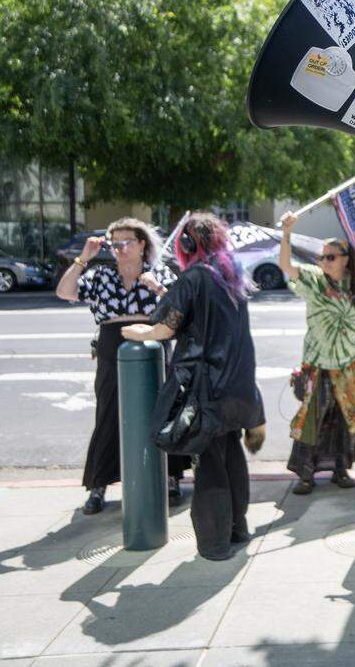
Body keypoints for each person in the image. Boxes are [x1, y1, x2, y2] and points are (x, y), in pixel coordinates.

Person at [122, 212, 265, 561]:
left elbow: (166, 326)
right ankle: (237, 529)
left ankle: (215, 545)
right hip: (237, 386)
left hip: (207, 389)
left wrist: (139, 331)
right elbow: (199, 309)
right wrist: (165, 290)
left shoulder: (196, 276)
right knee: (231, 455)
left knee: (210, 464)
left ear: (188, 243)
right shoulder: (229, 274)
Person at [55, 217, 188, 515]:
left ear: (142, 245)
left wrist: (158, 289)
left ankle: (170, 477)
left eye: (127, 242)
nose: (120, 249)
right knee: (109, 412)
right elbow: (64, 292)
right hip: (113, 344)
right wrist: (82, 259)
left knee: (162, 408)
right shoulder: (101, 275)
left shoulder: (159, 273)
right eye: (115, 244)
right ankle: (99, 485)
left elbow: (182, 309)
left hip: (154, 342)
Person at [277, 212, 355, 495]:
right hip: (317, 364)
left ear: (345, 258)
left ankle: (341, 469)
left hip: (349, 366)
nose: (323, 261)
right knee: (310, 421)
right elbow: (286, 266)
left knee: (344, 419)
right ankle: (305, 474)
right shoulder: (315, 281)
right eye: (321, 256)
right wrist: (287, 234)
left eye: (330, 256)